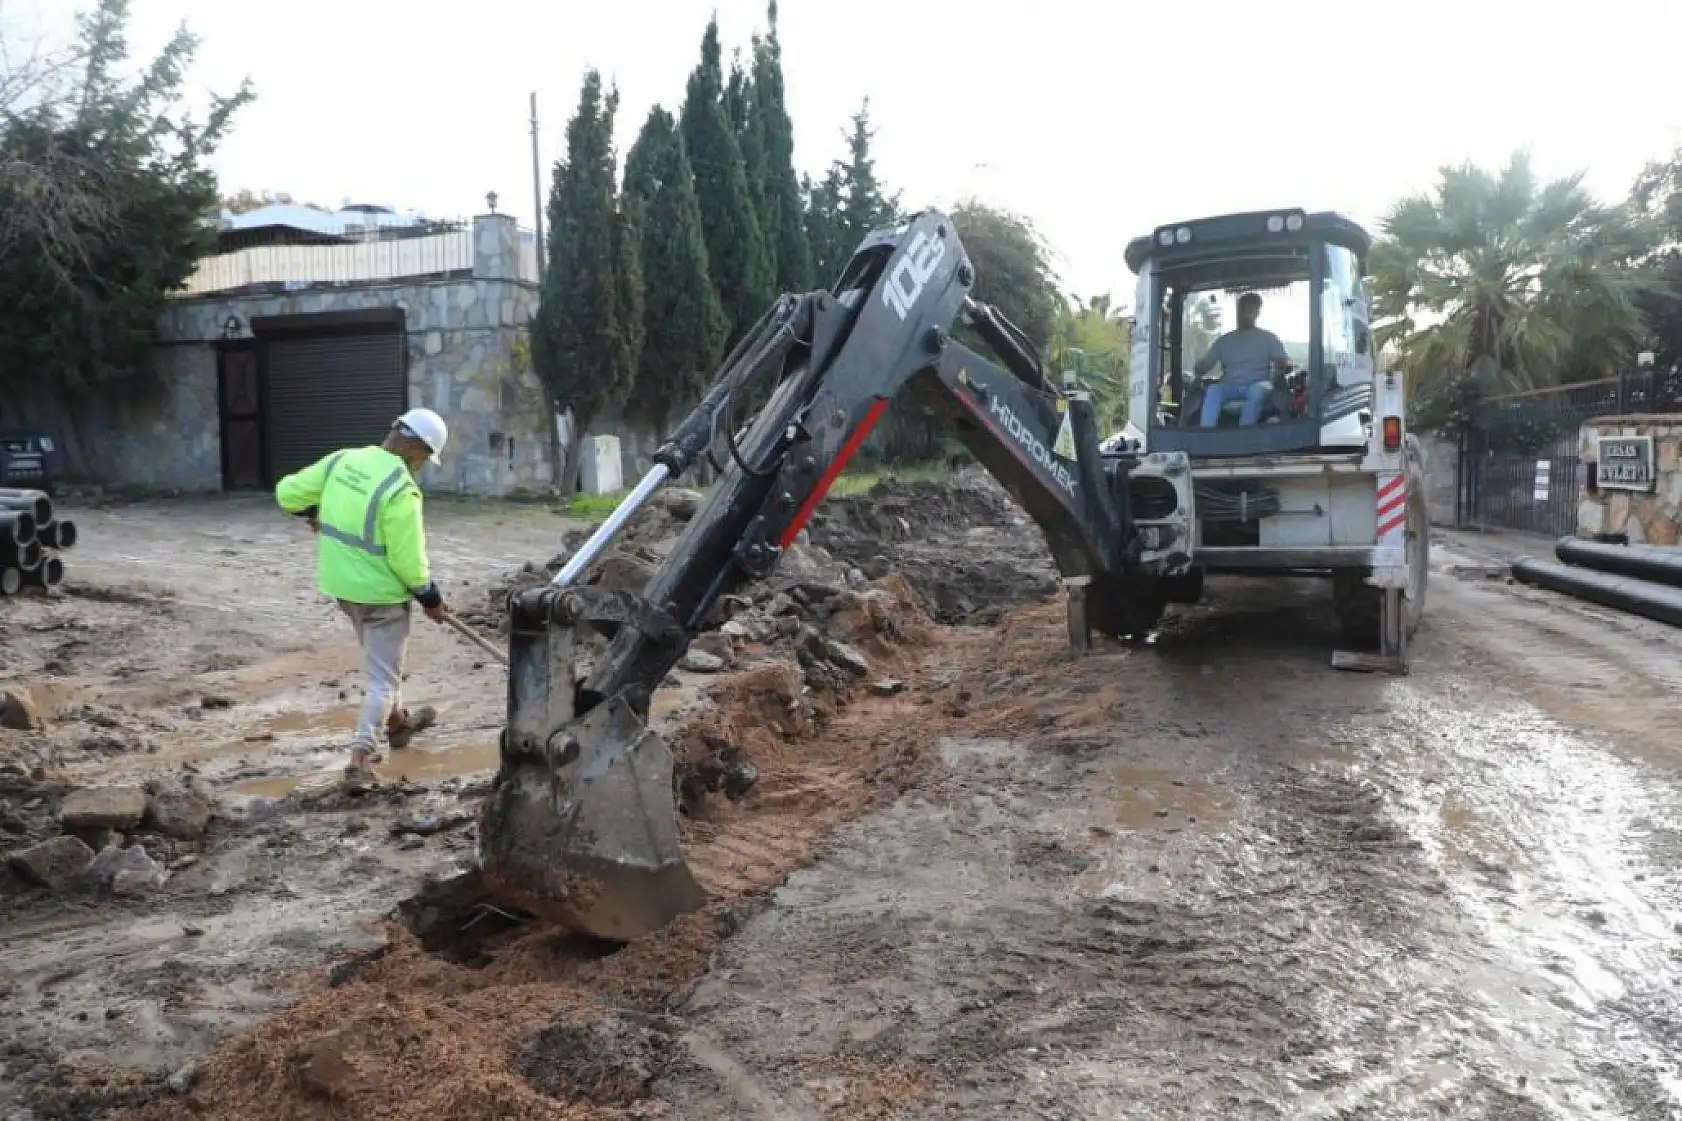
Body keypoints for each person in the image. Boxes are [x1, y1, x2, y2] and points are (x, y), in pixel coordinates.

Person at [275, 408, 451, 789]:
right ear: (415, 448)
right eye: (424, 457)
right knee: (382, 680)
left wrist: (315, 511)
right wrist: (430, 597)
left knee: (381, 664)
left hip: (342, 587)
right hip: (382, 597)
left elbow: (287, 493)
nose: (421, 465)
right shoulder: (401, 488)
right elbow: (409, 563)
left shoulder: (343, 460)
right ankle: (360, 757)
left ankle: (398, 724)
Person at [1193, 292, 1292, 428]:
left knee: (1256, 391)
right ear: (1238, 311)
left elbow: (1282, 361)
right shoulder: (1225, 341)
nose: (1246, 313)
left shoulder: (1268, 338)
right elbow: (1206, 364)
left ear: (1257, 312)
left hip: (1259, 384)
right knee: (1213, 391)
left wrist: (1282, 365)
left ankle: (1244, 432)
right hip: (1231, 386)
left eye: (1251, 309)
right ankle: (1206, 433)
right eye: (1243, 309)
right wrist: (1200, 367)